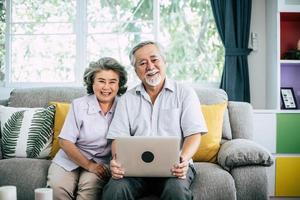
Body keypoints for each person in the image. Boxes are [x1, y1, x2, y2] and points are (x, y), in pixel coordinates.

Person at [102, 41, 207, 200]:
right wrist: (117, 161)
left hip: (174, 169)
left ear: (165, 62)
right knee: (114, 190)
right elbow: (118, 137)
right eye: (142, 63)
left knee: (176, 191)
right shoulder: (126, 99)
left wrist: (183, 159)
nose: (150, 67)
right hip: (134, 170)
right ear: (136, 71)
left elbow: (194, 134)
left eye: (154, 59)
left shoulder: (185, 93)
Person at [47, 57, 127, 200]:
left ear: (119, 84)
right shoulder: (79, 105)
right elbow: (65, 141)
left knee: (88, 193)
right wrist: (89, 165)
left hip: (102, 163)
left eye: (112, 82)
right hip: (70, 158)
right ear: (92, 82)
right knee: (57, 189)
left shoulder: (125, 106)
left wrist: (96, 167)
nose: (106, 87)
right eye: (101, 81)